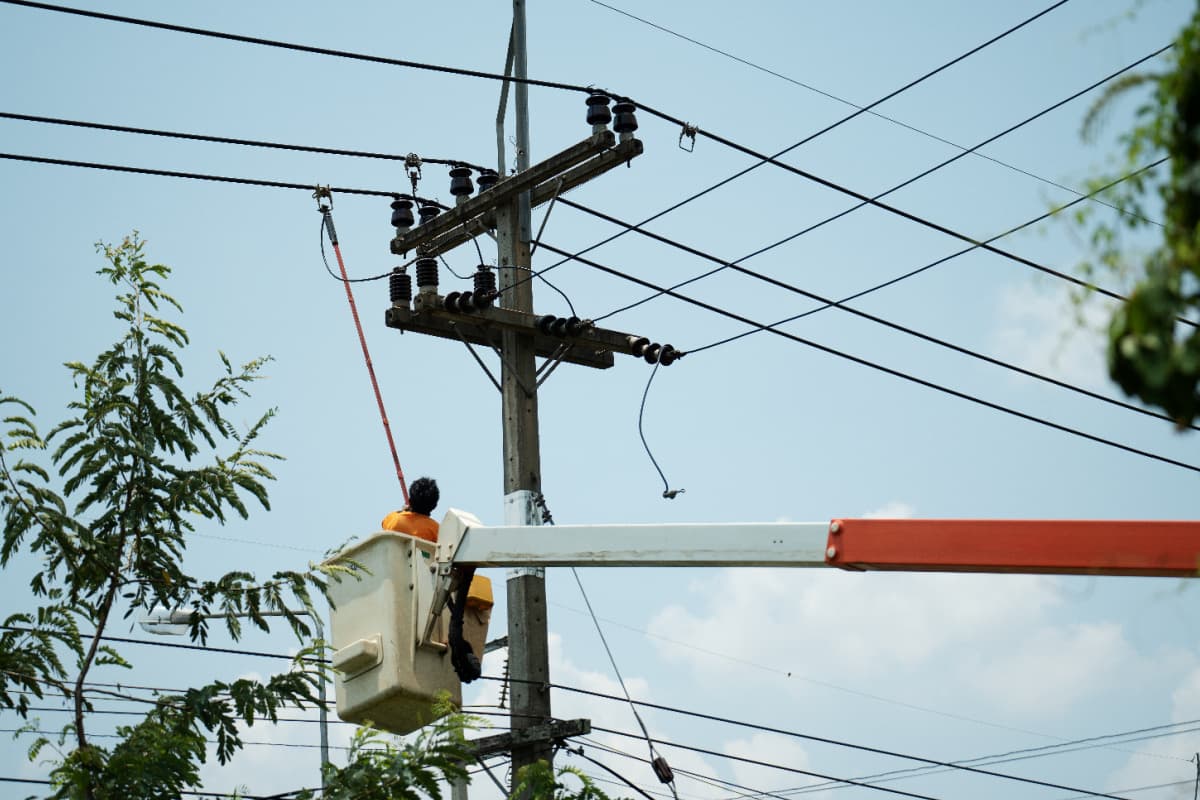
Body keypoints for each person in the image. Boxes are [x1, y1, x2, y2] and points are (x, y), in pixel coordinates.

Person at [381, 476, 440, 543]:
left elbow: (384, 524)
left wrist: (402, 512)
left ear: (409, 500)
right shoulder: (436, 530)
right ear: (434, 506)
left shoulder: (394, 520)